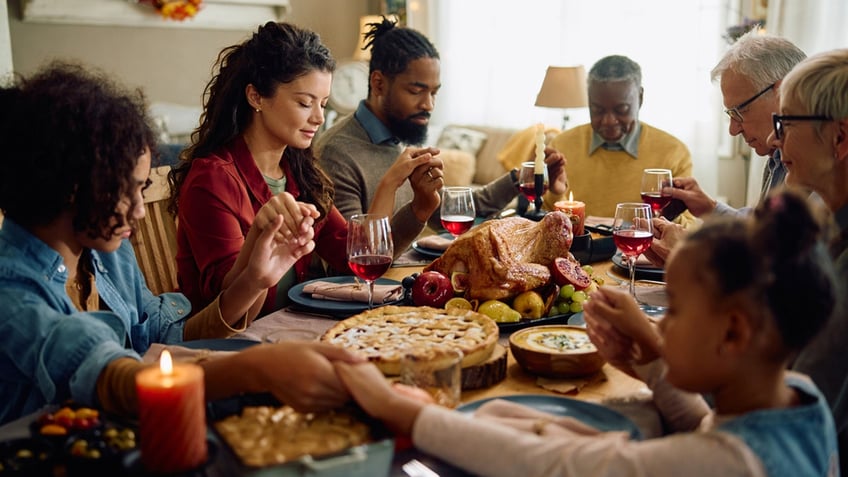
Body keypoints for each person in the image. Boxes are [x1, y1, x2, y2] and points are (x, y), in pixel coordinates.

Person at [333, 189, 838, 475]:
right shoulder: (796, 395)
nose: (660, 321)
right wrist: (650, 361)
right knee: (513, 414)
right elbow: (705, 429)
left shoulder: (729, 467)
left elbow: (557, 466)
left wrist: (404, 410)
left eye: (676, 310)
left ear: (732, 334)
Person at [0, 62, 362, 425]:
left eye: (142, 189)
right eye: (129, 191)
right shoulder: (12, 288)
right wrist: (254, 368)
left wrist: (253, 279)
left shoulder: (106, 253)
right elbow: (111, 380)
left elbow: (163, 339)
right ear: (71, 188)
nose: (141, 211)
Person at [168, 21, 439, 316]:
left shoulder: (296, 171)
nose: (319, 118)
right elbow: (228, 308)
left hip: (286, 329)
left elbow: (353, 257)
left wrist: (391, 183)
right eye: (305, 103)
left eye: (323, 104)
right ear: (256, 96)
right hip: (225, 346)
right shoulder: (214, 178)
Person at [314, 17, 567, 246]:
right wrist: (417, 210)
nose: (428, 105)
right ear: (378, 83)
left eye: (434, 92)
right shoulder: (336, 153)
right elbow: (354, 257)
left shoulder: (395, 139)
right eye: (416, 91)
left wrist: (521, 176)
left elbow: (463, 210)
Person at [645, 32, 806, 266]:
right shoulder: (778, 156)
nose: (733, 130)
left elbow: (786, 271)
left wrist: (693, 259)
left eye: (740, 111)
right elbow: (766, 233)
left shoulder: (819, 164)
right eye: (730, 115)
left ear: (782, 92)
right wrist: (710, 208)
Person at [767, 48, 848, 475]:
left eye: (785, 123)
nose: (772, 140)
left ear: (839, 139)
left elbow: (784, 423)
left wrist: (654, 363)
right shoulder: (827, 227)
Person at [548, 55, 694, 219]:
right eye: (598, 110)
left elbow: (689, 227)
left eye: (621, 109)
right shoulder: (562, 146)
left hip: (641, 244)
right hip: (578, 245)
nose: (609, 121)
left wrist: (668, 216)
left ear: (640, 98)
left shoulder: (672, 152)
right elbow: (543, 222)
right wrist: (555, 193)